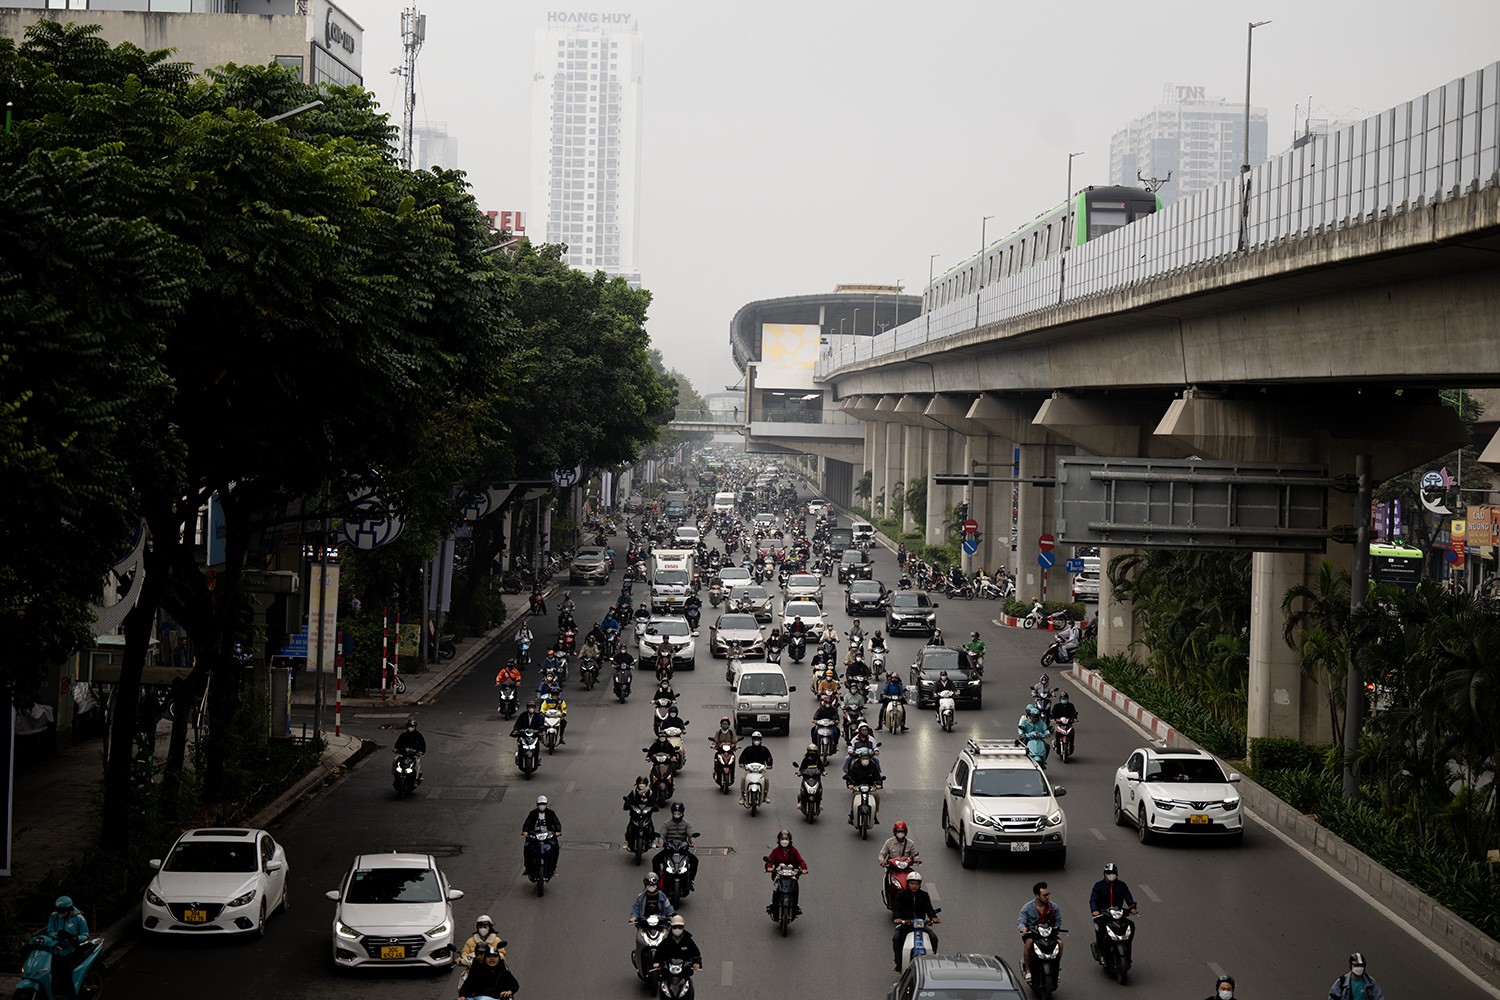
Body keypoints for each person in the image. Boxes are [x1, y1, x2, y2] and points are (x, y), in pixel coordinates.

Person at [890, 869, 939, 972]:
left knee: (933, 937)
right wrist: (898, 918)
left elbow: (929, 909)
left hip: (920, 924)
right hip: (905, 924)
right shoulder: (901, 894)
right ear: (908, 884)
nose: (914, 886)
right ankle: (899, 963)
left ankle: (932, 959)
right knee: (897, 938)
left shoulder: (924, 895)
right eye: (912, 883)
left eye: (917, 884)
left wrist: (933, 918)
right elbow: (896, 909)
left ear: (920, 885)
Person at [1017, 881, 1064, 983]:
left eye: (1048, 895)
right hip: (1033, 934)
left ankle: (1056, 970)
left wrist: (1056, 928)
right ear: (1037, 896)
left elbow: (1058, 921)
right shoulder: (1027, 908)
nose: (1047, 897)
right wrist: (1023, 929)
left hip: (1049, 933)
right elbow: (1021, 922)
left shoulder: (1053, 907)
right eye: (1044, 895)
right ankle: (1028, 970)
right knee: (1028, 943)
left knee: (1060, 944)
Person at [1088, 863, 1137, 958]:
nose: (1111, 875)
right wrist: (1094, 910)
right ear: (1105, 874)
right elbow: (1093, 900)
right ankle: (1101, 952)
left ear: (1117, 873)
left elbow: (1128, 897)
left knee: (1131, 926)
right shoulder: (1098, 886)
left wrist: (1132, 907)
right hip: (1103, 914)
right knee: (1100, 928)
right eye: (1109, 873)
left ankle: (1127, 947)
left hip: (1118, 913)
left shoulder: (1122, 885)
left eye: (1113, 872)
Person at [46, 896, 88, 1000]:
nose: (60, 913)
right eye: (59, 910)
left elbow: (85, 935)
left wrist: (75, 938)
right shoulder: (54, 916)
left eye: (62, 910)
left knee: (67, 979)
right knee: (54, 977)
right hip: (56, 951)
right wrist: (55, 936)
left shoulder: (79, 918)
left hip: (70, 952)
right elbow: (50, 931)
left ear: (70, 909)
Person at [652, 802, 699, 887]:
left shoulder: (686, 824)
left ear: (682, 813)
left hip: (682, 850)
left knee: (695, 861)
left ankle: (690, 880)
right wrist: (661, 843)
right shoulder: (667, 824)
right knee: (655, 860)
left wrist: (693, 842)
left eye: (679, 813)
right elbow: (662, 835)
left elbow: (691, 834)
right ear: (672, 812)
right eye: (675, 813)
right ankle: (658, 880)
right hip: (669, 850)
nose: (677, 815)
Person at [764, 829, 808, 915]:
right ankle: (774, 906)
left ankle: (795, 907)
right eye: (782, 839)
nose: (784, 841)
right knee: (777, 890)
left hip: (792, 875)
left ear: (790, 840)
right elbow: (769, 861)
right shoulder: (776, 851)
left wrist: (804, 868)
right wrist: (769, 867)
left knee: (795, 889)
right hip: (779, 875)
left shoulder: (794, 851)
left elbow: (801, 861)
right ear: (779, 840)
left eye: (786, 839)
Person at [521, 795, 562, 880]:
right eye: (540, 804)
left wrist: (557, 831)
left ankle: (553, 868)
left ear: (546, 804)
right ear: (537, 804)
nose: (542, 805)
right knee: (527, 847)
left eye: (543, 804)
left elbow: (556, 822)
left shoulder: (551, 813)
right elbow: (527, 823)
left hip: (548, 836)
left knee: (555, 847)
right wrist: (525, 831)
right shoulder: (533, 813)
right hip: (534, 836)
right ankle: (527, 867)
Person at [845, 745, 884, 825]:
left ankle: (874, 814)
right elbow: (850, 777)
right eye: (863, 758)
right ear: (860, 759)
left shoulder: (873, 766)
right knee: (855, 799)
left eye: (867, 758)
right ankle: (851, 815)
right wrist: (850, 784)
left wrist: (878, 784)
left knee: (876, 796)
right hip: (858, 788)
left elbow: (877, 777)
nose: (865, 760)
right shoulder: (855, 766)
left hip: (870, 787)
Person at [738, 731, 774, 805]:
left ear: (761, 740)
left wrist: (769, 764)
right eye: (755, 739)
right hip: (749, 769)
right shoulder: (748, 749)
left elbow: (769, 758)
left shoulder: (764, 750)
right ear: (752, 740)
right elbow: (742, 757)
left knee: (766, 779)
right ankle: (742, 796)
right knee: (743, 779)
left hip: (761, 770)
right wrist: (741, 763)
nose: (756, 741)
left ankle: (765, 795)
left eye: (758, 739)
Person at [394, 717, 426, 784]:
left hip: (414, 755)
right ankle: (395, 775)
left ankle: (416, 779)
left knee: (417, 763)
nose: (410, 728)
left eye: (412, 727)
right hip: (404, 754)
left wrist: (421, 751)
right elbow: (398, 743)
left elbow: (423, 745)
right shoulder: (403, 735)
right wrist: (396, 749)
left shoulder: (418, 736)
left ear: (414, 727)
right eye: (409, 726)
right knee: (395, 759)